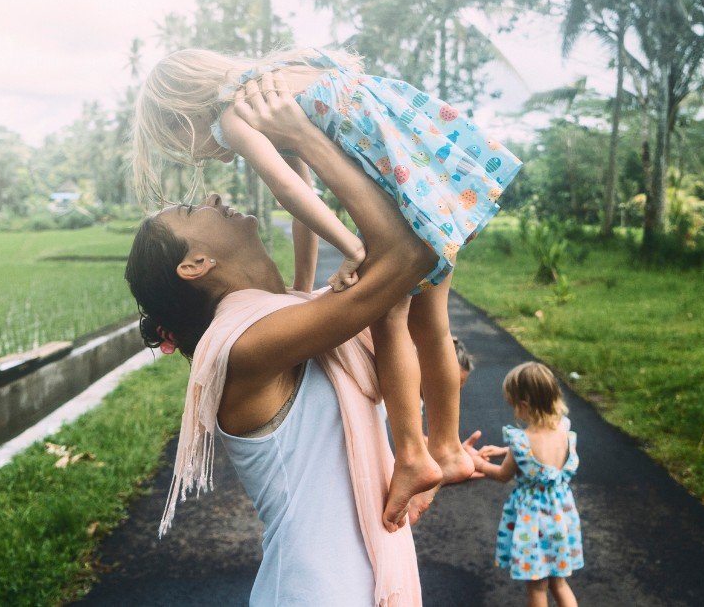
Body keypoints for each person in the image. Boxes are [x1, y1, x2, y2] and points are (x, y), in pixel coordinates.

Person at [129, 47, 523, 529]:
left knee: (396, 315)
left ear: (181, 118)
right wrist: (299, 285)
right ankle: (444, 444)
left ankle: (421, 451)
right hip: (419, 157)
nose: (206, 176)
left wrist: (351, 246)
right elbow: (302, 193)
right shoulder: (273, 80)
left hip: (395, 171)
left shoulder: (235, 116)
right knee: (431, 324)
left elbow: (291, 194)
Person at [125, 77, 442, 605]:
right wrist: (304, 136)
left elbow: (399, 275)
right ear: (195, 265)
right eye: (191, 210)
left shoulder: (289, 318)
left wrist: (294, 147)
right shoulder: (243, 346)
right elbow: (410, 255)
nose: (212, 195)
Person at [476, 362, 583, 607]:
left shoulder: (521, 441)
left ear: (523, 405)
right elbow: (539, 457)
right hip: (561, 517)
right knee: (559, 582)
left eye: (513, 405)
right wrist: (504, 449)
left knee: (537, 586)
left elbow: (503, 474)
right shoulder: (564, 430)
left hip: (534, 523)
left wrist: (478, 464)